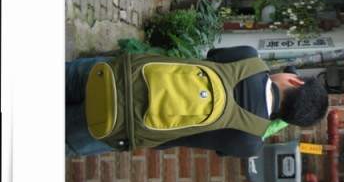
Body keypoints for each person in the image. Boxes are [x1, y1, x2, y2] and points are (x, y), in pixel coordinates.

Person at [66, 46, 329, 158]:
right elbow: (220, 150)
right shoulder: (250, 143)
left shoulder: (249, 58)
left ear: (295, 82)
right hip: (120, 126)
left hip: (120, 76)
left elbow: (212, 55)